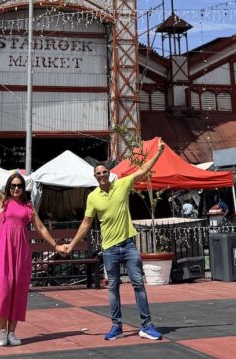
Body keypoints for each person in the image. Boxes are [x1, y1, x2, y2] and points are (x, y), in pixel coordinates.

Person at [56, 140, 166, 342]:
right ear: (95, 177)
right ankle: (117, 326)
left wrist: (157, 154)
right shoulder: (93, 197)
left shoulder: (122, 185)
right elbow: (85, 224)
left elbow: (143, 170)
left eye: (104, 172)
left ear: (109, 173)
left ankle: (146, 325)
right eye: (98, 173)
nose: (101, 176)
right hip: (110, 249)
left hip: (128, 245)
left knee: (138, 284)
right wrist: (71, 245)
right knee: (113, 288)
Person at [0, 154, 58, 348]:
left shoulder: (28, 207)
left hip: (21, 251)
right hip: (3, 250)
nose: (16, 188)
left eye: (19, 186)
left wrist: (56, 246)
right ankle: (2, 331)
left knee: (18, 289)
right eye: (13, 186)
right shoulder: (3, 202)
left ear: (23, 188)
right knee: (3, 288)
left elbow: (41, 228)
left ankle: (12, 332)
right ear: (8, 188)